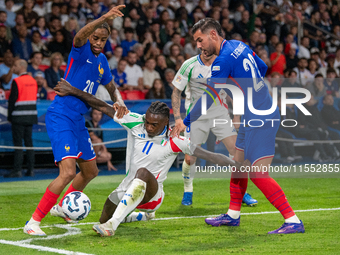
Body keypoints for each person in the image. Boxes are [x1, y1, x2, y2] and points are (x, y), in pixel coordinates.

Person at [53, 79, 249, 237]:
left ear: (166, 123)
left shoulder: (175, 140)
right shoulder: (136, 123)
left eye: (154, 124)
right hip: (126, 187)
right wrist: (72, 90)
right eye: (147, 121)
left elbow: (210, 155)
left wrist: (236, 165)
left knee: (142, 174)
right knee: (102, 218)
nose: (148, 126)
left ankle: (113, 225)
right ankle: (136, 217)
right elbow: (102, 106)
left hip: (153, 195)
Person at [172, 18, 304, 234]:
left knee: (257, 174)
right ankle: (233, 215)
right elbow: (261, 67)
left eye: (200, 40)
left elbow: (207, 99)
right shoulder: (238, 44)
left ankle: (292, 220)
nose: (198, 45)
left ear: (213, 34)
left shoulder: (220, 61)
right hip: (257, 112)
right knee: (239, 164)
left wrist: (185, 122)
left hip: (259, 117)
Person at [23, 5, 127, 236]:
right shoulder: (81, 51)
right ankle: (33, 222)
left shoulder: (103, 64)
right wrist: (104, 17)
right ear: (91, 36)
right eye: (96, 38)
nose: (98, 42)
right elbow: (79, 35)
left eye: (103, 39)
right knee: (68, 172)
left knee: (90, 171)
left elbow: (111, 87)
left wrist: (118, 100)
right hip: (61, 115)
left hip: (78, 120)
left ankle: (62, 208)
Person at [171, 53, 257, 206]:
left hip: (220, 114)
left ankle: (241, 192)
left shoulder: (224, 63)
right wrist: (178, 118)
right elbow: (176, 91)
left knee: (237, 153)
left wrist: (236, 116)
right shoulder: (189, 65)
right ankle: (188, 190)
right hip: (195, 117)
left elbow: (234, 91)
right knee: (190, 158)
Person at [6, 59, 37, 178]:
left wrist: (10, 116)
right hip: (31, 116)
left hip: (18, 117)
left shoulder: (17, 81)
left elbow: (12, 101)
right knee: (29, 143)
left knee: (18, 144)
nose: (14, 67)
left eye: (15, 65)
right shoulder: (33, 81)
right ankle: (31, 170)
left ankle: (17, 170)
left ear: (21, 67)